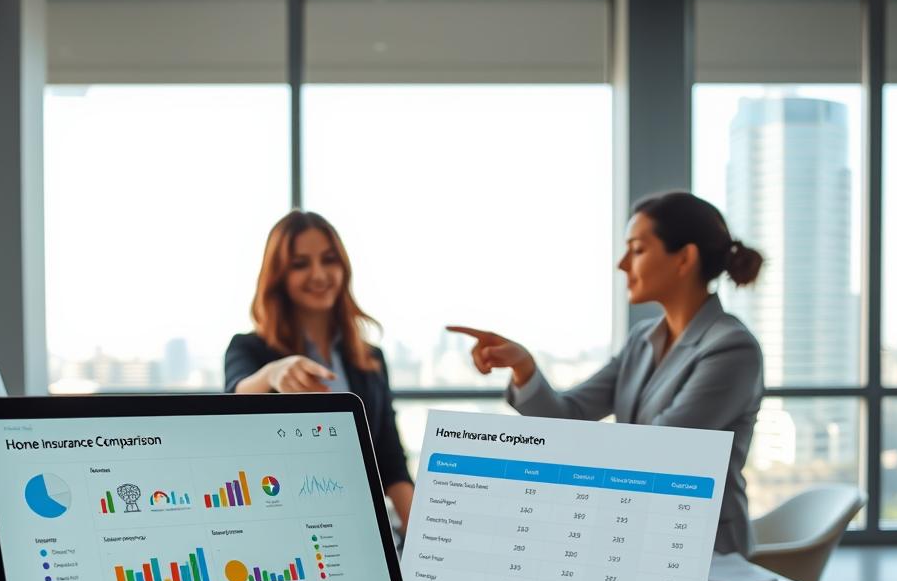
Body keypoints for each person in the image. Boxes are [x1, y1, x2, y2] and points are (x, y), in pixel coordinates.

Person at [449, 191, 765, 556]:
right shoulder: (641, 340)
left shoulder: (731, 349)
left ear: (684, 258)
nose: (622, 264)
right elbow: (569, 416)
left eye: (637, 250)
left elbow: (658, 453)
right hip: (632, 538)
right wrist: (524, 367)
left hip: (703, 552)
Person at [225, 210, 414, 532]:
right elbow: (235, 396)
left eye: (329, 260)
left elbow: (391, 462)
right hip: (285, 524)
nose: (319, 275)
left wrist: (424, 542)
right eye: (300, 264)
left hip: (363, 524)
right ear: (279, 276)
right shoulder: (249, 349)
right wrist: (271, 375)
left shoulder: (370, 359)